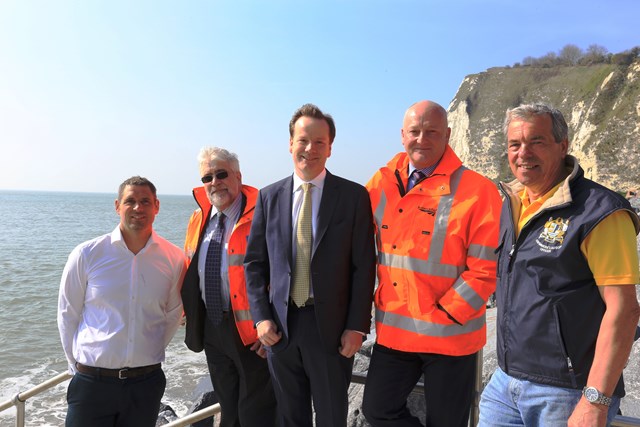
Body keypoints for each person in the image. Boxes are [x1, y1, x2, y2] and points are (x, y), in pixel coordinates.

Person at [478, 103, 640, 427]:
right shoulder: (512, 203)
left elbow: (623, 310)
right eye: (514, 144)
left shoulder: (600, 212)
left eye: (536, 141)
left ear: (563, 146)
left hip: (567, 392)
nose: (523, 153)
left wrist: (595, 400)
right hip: (505, 383)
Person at [362, 100, 502, 427]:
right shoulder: (380, 183)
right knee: (377, 410)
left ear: (448, 135)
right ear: (402, 135)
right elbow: (352, 243)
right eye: (414, 131)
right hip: (394, 333)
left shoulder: (478, 191)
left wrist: (448, 313)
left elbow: (486, 267)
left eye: (431, 132)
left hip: (450, 337)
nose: (421, 139)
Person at [244, 103, 376, 427]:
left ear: (330, 148)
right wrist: (260, 319)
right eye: (303, 140)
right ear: (290, 143)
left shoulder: (353, 196)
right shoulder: (267, 197)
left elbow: (364, 267)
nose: (310, 149)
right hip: (281, 330)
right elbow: (254, 264)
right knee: (291, 418)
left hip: (331, 331)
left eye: (320, 142)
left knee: (332, 417)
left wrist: (357, 326)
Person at [57, 176, 187, 427]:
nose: (138, 208)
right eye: (130, 201)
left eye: (145, 201)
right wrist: (75, 366)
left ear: (156, 206)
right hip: (91, 384)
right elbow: (67, 313)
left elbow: (172, 314)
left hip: (145, 383)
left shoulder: (173, 258)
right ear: (118, 206)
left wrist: (146, 350)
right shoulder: (87, 253)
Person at [181, 147, 277, 427]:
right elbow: (190, 267)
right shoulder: (198, 218)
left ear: (238, 176)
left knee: (257, 412)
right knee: (229, 408)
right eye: (207, 177)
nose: (214, 182)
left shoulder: (264, 213)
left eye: (221, 174)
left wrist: (271, 325)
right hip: (213, 328)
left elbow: (284, 274)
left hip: (253, 332)